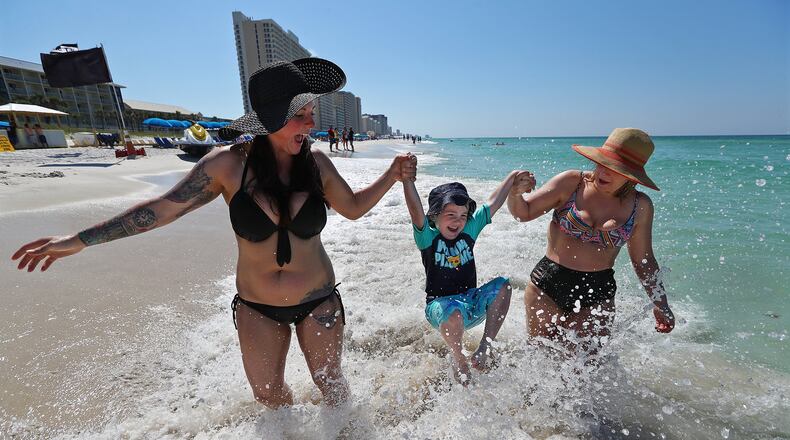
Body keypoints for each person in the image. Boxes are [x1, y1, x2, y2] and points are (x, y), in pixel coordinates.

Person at [12, 58, 416, 409]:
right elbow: (162, 210)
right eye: (302, 115)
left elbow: (353, 209)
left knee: (331, 386)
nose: (311, 124)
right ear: (272, 119)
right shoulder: (227, 166)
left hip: (319, 301)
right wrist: (81, 240)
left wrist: (392, 176)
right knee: (269, 396)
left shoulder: (318, 165)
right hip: (258, 306)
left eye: (311, 113)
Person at [507, 128, 675, 355]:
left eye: (615, 169)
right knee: (539, 357)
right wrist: (515, 193)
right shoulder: (572, 182)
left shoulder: (640, 206)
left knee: (587, 372)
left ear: (631, 176)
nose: (604, 172)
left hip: (597, 292)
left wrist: (660, 303)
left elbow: (643, 260)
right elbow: (523, 213)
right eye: (602, 163)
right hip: (547, 283)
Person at [402, 165, 524, 384]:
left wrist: (512, 176)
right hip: (439, 307)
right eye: (450, 215)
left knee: (503, 285)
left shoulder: (468, 231)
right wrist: (406, 179)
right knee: (454, 313)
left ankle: (485, 347)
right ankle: (459, 359)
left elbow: (493, 203)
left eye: (463, 215)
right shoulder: (427, 238)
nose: (457, 221)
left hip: (471, 302)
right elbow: (415, 211)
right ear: (435, 217)